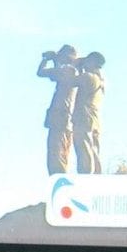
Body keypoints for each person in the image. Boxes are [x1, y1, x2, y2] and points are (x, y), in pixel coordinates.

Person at [34, 43, 79, 173]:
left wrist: (47, 59)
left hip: (60, 116)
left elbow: (40, 72)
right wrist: (55, 60)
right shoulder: (72, 71)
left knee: (56, 154)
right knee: (62, 154)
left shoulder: (67, 70)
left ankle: (59, 185)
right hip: (66, 118)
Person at [71, 51, 106, 173]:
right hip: (94, 121)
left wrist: (73, 65)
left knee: (84, 151)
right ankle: (95, 178)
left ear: (92, 62)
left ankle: (85, 178)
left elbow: (70, 81)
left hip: (83, 119)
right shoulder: (100, 80)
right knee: (93, 151)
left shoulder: (88, 77)